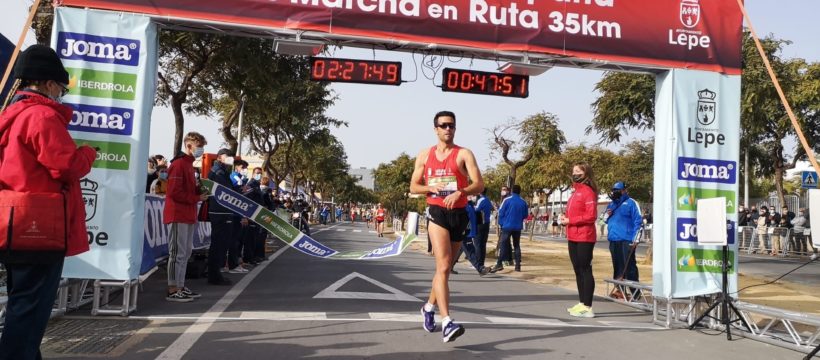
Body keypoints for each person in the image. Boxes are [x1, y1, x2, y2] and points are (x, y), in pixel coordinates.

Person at [0, 44, 97, 359]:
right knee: (32, 307)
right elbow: (66, 166)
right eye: (61, 87)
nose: (61, 94)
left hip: (13, 221)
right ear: (49, 83)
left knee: (21, 301)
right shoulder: (41, 115)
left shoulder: (10, 113)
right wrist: (87, 153)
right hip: (39, 224)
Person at [410, 110, 483, 343]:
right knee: (442, 266)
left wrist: (460, 192)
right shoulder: (424, 155)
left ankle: (428, 308)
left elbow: (479, 184)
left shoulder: (464, 154)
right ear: (435, 129)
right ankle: (447, 322)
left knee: (445, 270)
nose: (448, 129)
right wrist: (430, 189)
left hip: (459, 213)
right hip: (437, 212)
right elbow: (414, 185)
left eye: (451, 125)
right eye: (443, 125)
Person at [164, 132, 209, 302]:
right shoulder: (179, 164)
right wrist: (197, 198)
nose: (201, 150)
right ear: (189, 146)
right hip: (177, 214)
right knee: (177, 253)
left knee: (186, 252)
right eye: (199, 146)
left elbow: (188, 189)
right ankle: (173, 288)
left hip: (189, 214)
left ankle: (180, 286)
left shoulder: (190, 166)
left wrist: (199, 191)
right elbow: (174, 192)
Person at [561, 162, 599, 318]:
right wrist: (565, 218)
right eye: (573, 171)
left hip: (585, 236)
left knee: (585, 269)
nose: (575, 173)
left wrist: (571, 220)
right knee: (577, 270)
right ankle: (582, 303)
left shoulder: (588, 192)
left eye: (578, 171)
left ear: (586, 174)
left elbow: (591, 216)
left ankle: (588, 306)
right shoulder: (574, 192)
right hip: (573, 236)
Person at [604, 181, 643, 298]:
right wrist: (606, 216)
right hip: (614, 239)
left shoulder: (631, 203)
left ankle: (635, 293)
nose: (615, 192)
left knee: (629, 266)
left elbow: (638, 221)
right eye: (614, 190)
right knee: (617, 265)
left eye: (618, 190)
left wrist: (636, 239)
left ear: (624, 190)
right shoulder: (611, 204)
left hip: (627, 239)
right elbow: (603, 220)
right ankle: (620, 290)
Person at [207, 148, 236, 285]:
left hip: (224, 211)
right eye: (227, 156)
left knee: (222, 244)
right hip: (219, 212)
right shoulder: (218, 172)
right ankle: (214, 275)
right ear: (219, 157)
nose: (230, 158)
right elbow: (225, 190)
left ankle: (216, 272)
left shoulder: (224, 171)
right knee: (218, 244)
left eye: (231, 156)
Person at [491, 185, 528, 272]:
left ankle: (499, 263)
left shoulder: (506, 200)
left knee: (503, 244)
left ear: (511, 191)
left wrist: (501, 223)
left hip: (507, 226)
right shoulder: (523, 202)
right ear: (520, 191)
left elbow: (500, 212)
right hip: (517, 227)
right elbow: (525, 215)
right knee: (517, 245)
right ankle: (518, 266)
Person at [473, 189, 493, 271]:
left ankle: (478, 264)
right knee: (483, 244)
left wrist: (471, 205)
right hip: (486, 224)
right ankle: (481, 263)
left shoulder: (481, 200)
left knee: (478, 244)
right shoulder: (488, 200)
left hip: (480, 223)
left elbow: (476, 209)